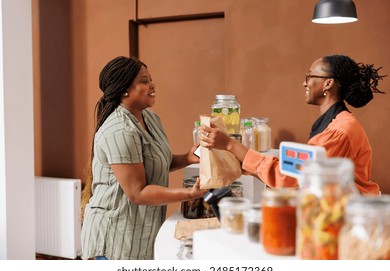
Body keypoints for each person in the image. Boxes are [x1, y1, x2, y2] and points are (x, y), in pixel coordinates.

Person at [200, 54, 385, 195]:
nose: (304, 83)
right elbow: (294, 173)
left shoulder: (340, 132)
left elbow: (290, 177)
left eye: (310, 76)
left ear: (328, 83)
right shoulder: (335, 123)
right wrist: (242, 165)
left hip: (349, 219)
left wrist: (230, 145)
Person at [80, 56, 206, 260]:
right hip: (114, 241)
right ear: (124, 90)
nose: (152, 85)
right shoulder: (120, 130)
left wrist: (186, 158)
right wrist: (191, 193)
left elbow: (153, 163)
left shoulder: (150, 118)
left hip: (139, 234)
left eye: (151, 79)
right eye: (144, 81)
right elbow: (137, 193)